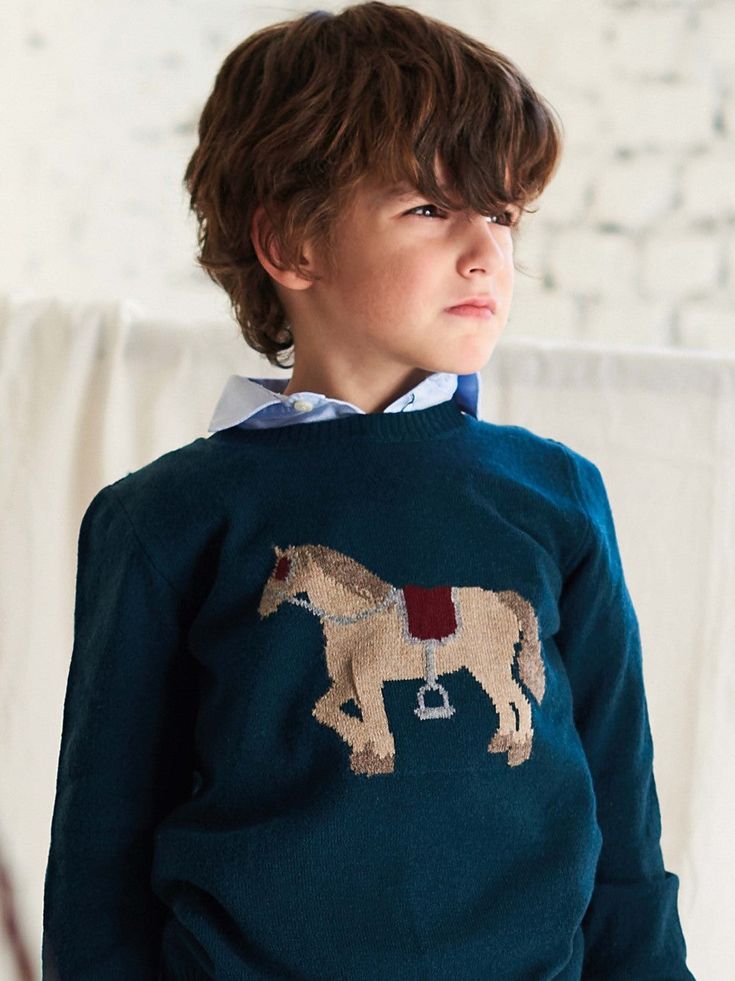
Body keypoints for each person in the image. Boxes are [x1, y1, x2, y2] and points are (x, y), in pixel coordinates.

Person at [41, 3, 695, 978]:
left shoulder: (557, 495)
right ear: (291, 244)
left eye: (504, 214)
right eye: (430, 208)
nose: (487, 252)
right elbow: (98, 861)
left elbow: (625, 833)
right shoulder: (164, 519)